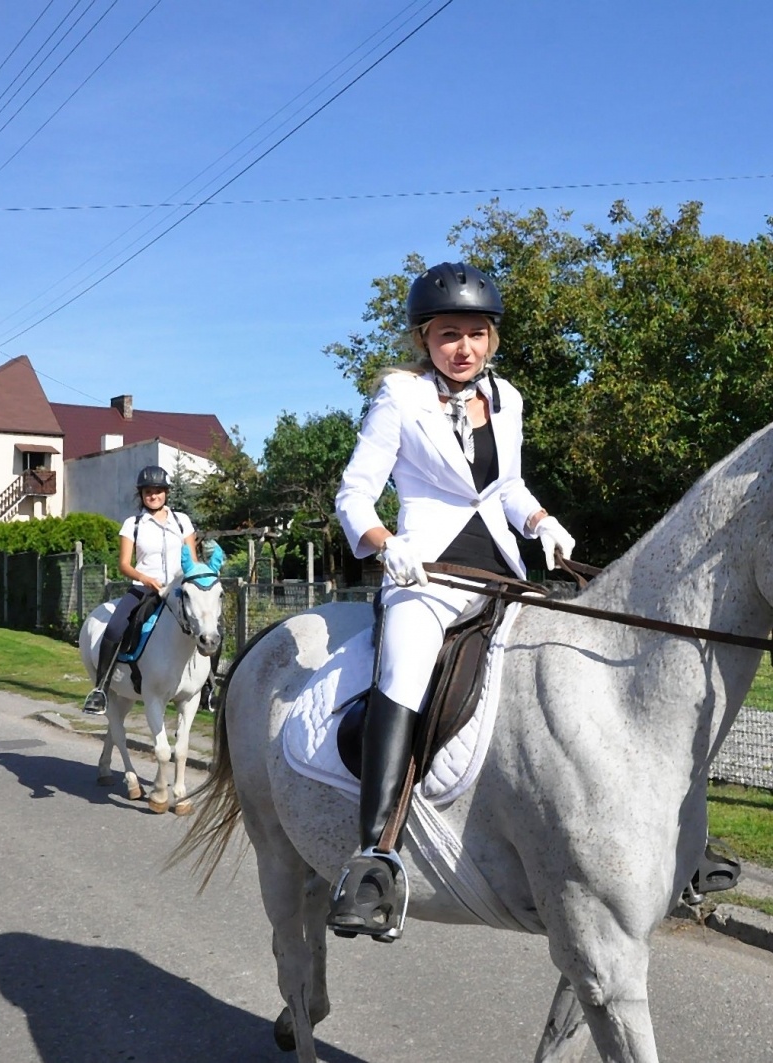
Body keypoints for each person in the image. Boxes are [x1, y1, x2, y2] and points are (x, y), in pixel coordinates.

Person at [331, 261, 576, 936]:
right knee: (404, 670)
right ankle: (374, 857)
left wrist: (542, 523)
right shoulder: (399, 398)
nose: (462, 346)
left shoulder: (509, 400)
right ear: (423, 340)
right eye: (447, 335)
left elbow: (508, 488)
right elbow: (353, 494)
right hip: (426, 570)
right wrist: (385, 543)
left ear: (492, 338)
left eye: (475, 332)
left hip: (500, 567)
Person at [80, 465, 199, 715]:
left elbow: (193, 561)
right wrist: (145, 578)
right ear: (141, 494)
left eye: (158, 491)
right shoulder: (132, 524)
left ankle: (207, 687)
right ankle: (101, 688)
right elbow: (124, 564)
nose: (153, 496)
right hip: (144, 588)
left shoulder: (182, 521)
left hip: (178, 590)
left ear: (166, 493)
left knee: (208, 626)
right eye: (148, 491)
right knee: (114, 628)